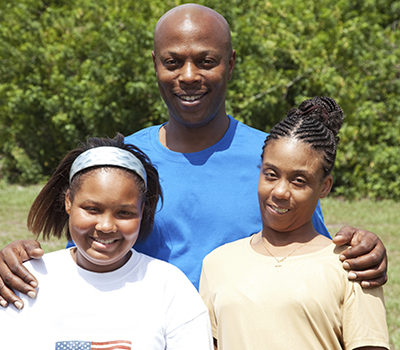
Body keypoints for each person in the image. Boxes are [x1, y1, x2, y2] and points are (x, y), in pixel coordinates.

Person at [0, 4, 387, 307]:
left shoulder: (274, 164)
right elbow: (87, 258)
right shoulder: (123, 162)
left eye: (206, 61)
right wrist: (22, 262)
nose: (188, 75)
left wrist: (362, 249)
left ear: (231, 63)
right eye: (173, 62)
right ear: (155, 64)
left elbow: (315, 256)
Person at [199, 97, 389, 350]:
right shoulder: (217, 263)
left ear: (324, 186)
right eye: (270, 174)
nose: (279, 191)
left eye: (299, 180)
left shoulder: (352, 265)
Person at [0, 134, 213, 349]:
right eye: (92, 209)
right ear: (68, 202)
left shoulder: (170, 287)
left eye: (124, 213)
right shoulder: (26, 279)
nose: (106, 226)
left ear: (143, 211)